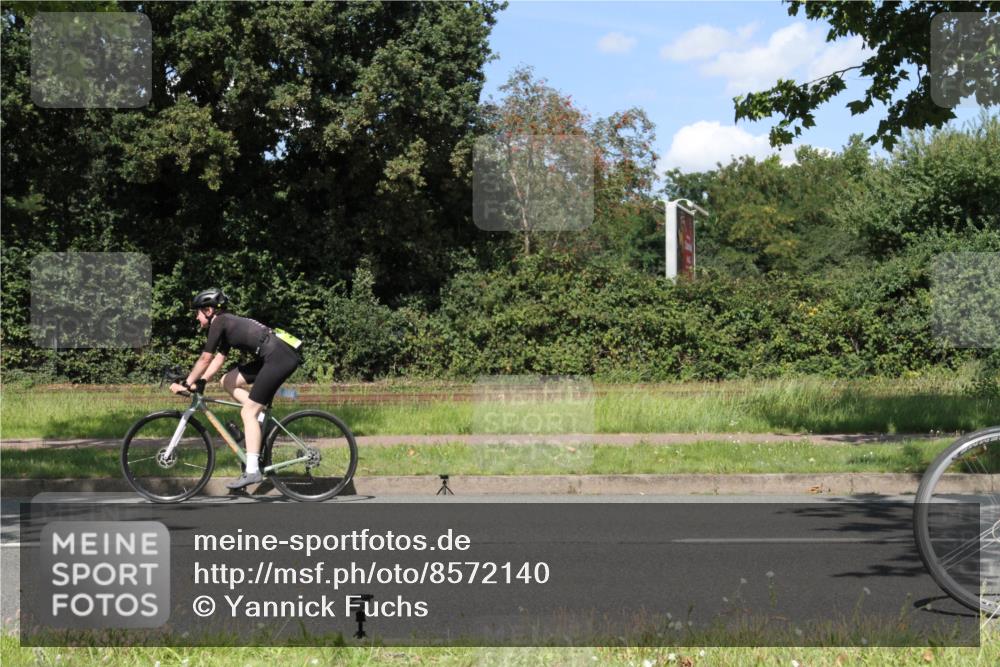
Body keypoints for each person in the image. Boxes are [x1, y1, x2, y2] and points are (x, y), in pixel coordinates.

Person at [171, 288, 302, 489]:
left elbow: (205, 358)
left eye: (197, 312)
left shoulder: (219, 323)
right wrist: (203, 380)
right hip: (275, 354)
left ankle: (252, 471)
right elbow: (219, 358)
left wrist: (187, 383)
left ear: (208, 310)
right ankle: (257, 419)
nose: (196, 318)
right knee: (227, 381)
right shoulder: (225, 323)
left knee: (246, 412)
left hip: (278, 357)